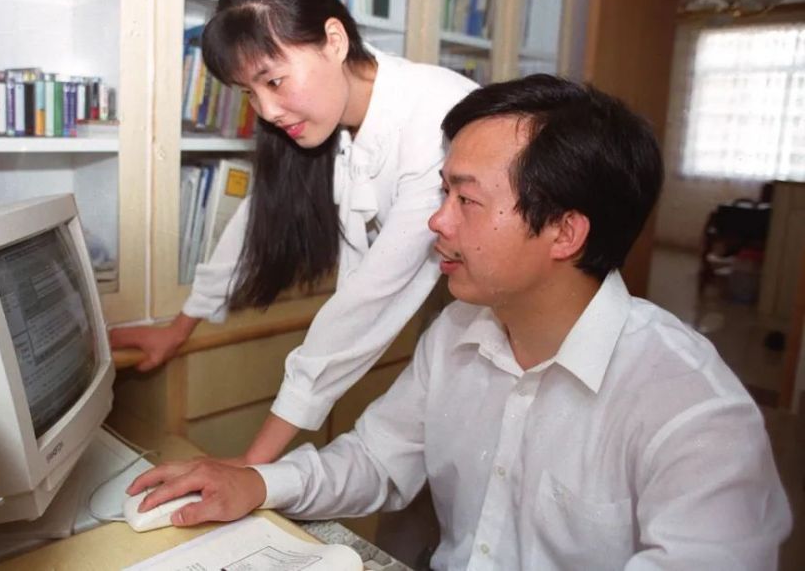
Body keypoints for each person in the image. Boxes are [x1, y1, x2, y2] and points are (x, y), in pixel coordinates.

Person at [127, 75, 792, 569]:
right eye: (441, 190)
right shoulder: (457, 333)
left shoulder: (693, 409)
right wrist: (257, 480)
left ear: (565, 231)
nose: (436, 220)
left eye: (465, 199)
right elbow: (376, 458)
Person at [110, 0, 477, 464]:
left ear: (334, 40)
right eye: (249, 93)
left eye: (274, 81)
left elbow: (372, 296)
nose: (266, 111)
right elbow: (259, 216)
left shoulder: (437, 120)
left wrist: (252, 465)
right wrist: (180, 326)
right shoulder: (331, 117)